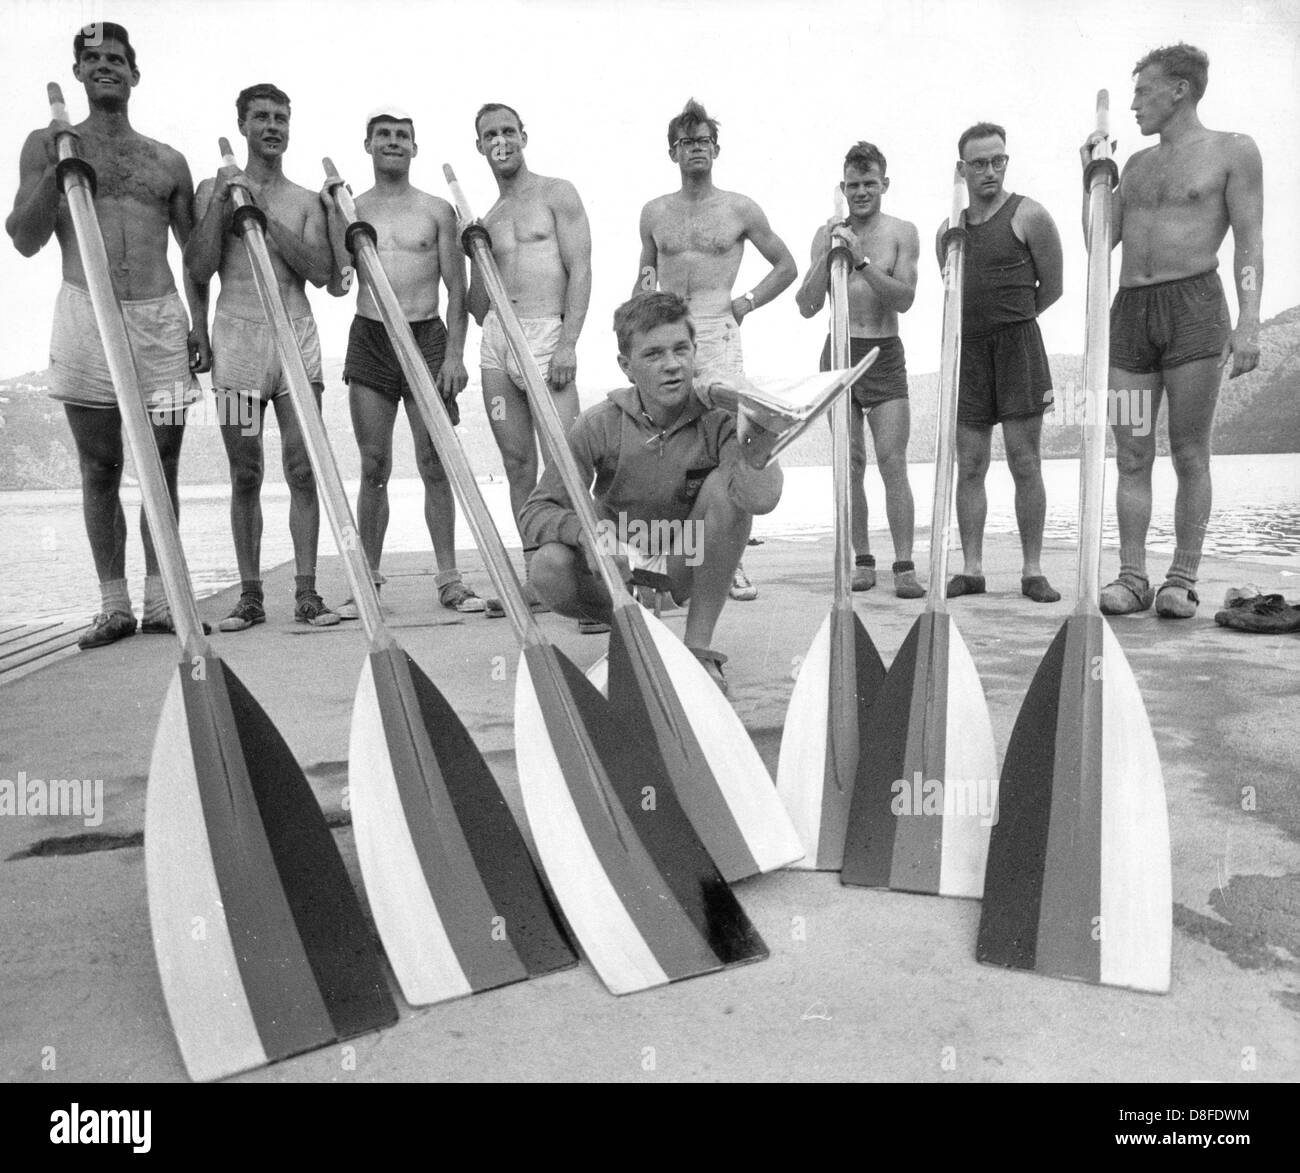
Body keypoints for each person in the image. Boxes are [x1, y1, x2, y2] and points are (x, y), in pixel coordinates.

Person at [6, 22, 208, 649]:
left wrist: (200, 321)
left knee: (162, 465)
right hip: (85, 310)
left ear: (134, 73)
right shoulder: (46, 143)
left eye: (116, 59)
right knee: (100, 465)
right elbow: (24, 235)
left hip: (157, 316)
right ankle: (113, 605)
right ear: (78, 74)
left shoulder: (166, 160)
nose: (105, 67)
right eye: (91, 59)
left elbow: (195, 256)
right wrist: (60, 170)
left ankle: (164, 598)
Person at [520, 292, 784, 695]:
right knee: (547, 568)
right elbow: (536, 510)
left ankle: (697, 650)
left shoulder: (720, 420)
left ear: (696, 352)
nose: (673, 365)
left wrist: (758, 426)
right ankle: (634, 626)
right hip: (619, 563)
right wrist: (588, 536)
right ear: (627, 367)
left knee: (727, 488)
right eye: (653, 355)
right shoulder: (598, 424)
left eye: (682, 349)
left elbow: (761, 499)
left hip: (685, 558)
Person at [1082, 43, 1263, 618]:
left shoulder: (1233, 152)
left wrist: (1250, 321)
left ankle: (1181, 579)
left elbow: (1249, 242)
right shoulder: (1133, 166)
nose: (1134, 105)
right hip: (1132, 311)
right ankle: (1132, 576)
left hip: (1193, 309)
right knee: (1131, 453)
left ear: (1179, 89)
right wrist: (1088, 176)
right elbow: (1097, 244)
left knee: (1189, 450)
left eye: (1143, 91)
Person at [185, 82, 340, 631]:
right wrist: (228, 202)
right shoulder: (214, 188)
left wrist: (265, 219)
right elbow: (199, 266)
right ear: (243, 125)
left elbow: (323, 273)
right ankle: (250, 596)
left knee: (302, 468)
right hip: (236, 340)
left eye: (281, 118)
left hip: (294, 337)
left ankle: (306, 593)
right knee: (245, 471)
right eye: (261, 118)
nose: (272, 127)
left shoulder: (303, 201)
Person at [633, 98, 797, 603]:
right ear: (672, 152)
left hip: (718, 330)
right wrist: (637, 313)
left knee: (729, 437)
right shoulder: (655, 211)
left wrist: (745, 303)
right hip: (667, 330)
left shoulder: (739, 208)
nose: (695, 149)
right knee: (667, 438)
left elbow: (785, 266)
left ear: (716, 149)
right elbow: (645, 270)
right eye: (686, 142)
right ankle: (666, 558)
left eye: (703, 141)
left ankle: (733, 562)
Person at [323, 107, 481, 617]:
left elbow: (457, 290)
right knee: (374, 466)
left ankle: (450, 580)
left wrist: (455, 354)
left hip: (427, 336)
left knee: (435, 463)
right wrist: (333, 216)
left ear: (415, 148)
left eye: (403, 136)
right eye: (384, 135)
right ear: (367, 146)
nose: (393, 142)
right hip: (371, 336)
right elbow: (337, 281)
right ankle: (367, 582)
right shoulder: (352, 210)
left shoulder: (436, 210)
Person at [469, 101, 591, 620]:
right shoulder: (487, 219)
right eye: (489, 134)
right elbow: (479, 309)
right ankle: (533, 579)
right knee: (517, 464)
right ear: (479, 147)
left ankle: (584, 577)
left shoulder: (556, 193)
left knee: (566, 460)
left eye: (507, 131)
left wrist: (569, 342)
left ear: (523, 135)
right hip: (498, 342)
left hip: (547, 335)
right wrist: (472, 254)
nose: (501, 140)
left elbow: (581, 268)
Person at [936, 122, 1064, 604]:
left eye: (998, 161)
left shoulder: (1030, 215)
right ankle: (971, 569)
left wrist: (1013, 323)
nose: (989, 171)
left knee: (1024, 460)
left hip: (1018, 347)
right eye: (979, 163)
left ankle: (1032, 570)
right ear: (962, 169)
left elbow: (1051, 288)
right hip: (968, 353)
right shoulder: (948, 232)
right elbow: (955, 298)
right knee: (969, 463)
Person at [794, 141, 923, 599]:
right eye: (853, 185)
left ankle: (904, 565)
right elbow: (807, 306)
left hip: (883, 352)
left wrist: (861, 261)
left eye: (870, 183)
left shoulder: (901, 232)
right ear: (842, 187)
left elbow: (904, 298)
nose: (861, 192)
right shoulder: (826, 232)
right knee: (850, 464)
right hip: (840, 354)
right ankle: (863, 560)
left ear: (884, 184)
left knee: (892, 462)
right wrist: (828, 256)